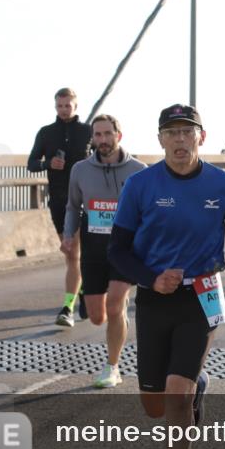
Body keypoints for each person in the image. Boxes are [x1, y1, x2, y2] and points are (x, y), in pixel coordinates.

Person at [107, 104, 225, 449]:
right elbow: (118, 251)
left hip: (201, 299)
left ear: (201, 138)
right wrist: (152, 277)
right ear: (159, 141)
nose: (178, 140)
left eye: (186, 132)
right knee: (154, 406)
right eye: (170, 133)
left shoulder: (221, 183)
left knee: (176, 397)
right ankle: (195, 385)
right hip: (155, 300)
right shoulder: (140, 185)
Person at [62, 114, 146, 388]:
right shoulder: (80, 170)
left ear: (118, 136)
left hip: (125, 248)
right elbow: (73, 206)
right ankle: (116, 313)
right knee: (98, 316)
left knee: (114, 304)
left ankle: (112, 367)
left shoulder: (138, 170)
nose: (102, 140)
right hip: (94, 248)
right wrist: (68, 235)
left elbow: (150, 212)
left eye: (107, 134)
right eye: (97, 135)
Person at [27, 87, 93, 327]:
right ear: (55, 107)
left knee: (75, 253)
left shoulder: (88, 132)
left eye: (68, 106)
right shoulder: (46, 133)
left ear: (76, 106)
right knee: (71, 254)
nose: (64, 110)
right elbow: (31, 164)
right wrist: (48, 163)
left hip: (86, 199)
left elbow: (104, 158)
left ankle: (67, 307)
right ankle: (82, 289)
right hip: (58, 199)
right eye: (59, 106)